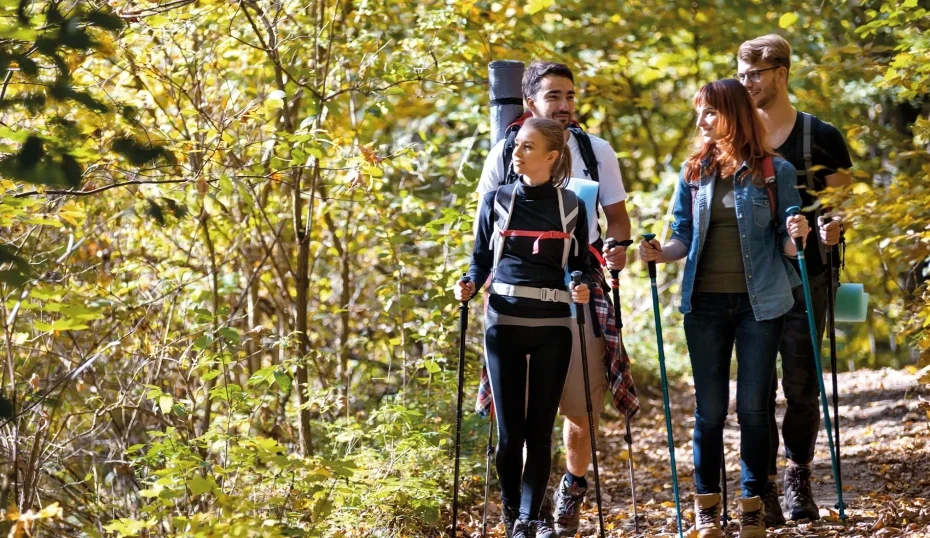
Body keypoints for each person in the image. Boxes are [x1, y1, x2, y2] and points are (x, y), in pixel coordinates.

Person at [638, 79, 809, 538]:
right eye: (700, 113)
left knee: (754, 408)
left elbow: (788, 246)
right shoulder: (694, 172)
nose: (701, 122)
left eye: (710, 112)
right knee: (709, 410)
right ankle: (707, 510)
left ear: (733, 113)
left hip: (763, 303)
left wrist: (798, 235)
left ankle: (752, 506)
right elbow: (681, 237)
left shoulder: (776, 171)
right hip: (704, 304)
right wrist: (659, 253)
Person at [476, 61, 639, 537]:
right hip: (517, 301)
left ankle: (572, 485)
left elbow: (618, 220)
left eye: (570, 96)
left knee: (579, 409)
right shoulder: (505, 154)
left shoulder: (596, 150)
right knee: (522, 418)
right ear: (531, 104)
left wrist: (617, 250)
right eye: (554, 97)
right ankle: (532, 514)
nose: (565, 105)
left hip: (581, 295)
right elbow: (486, 233)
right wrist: (480, 281)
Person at [736, 34, 854, 526]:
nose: (747, 84)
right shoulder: (734, 135)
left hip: (811, 277)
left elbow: (847, 203)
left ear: (782, 74)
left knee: (801, 386)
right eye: (741, 75)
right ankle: (760, 483)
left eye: (755, 75)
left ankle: (798, 474)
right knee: (756, 388)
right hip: (750, 282)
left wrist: (835, 225)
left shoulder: (821, 136)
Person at [458, 117, 593, 538]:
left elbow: (580, 265)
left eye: (527, 147)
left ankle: (531, 518)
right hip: (504, 324)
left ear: (552, 157)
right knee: (510, 433)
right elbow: (480, 259)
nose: (516, 152)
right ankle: (514, 514)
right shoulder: (495, 200)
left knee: (540, 428)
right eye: (516, 145)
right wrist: (468, 283)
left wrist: (581, 284)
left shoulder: (572, 205)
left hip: (554, 325)